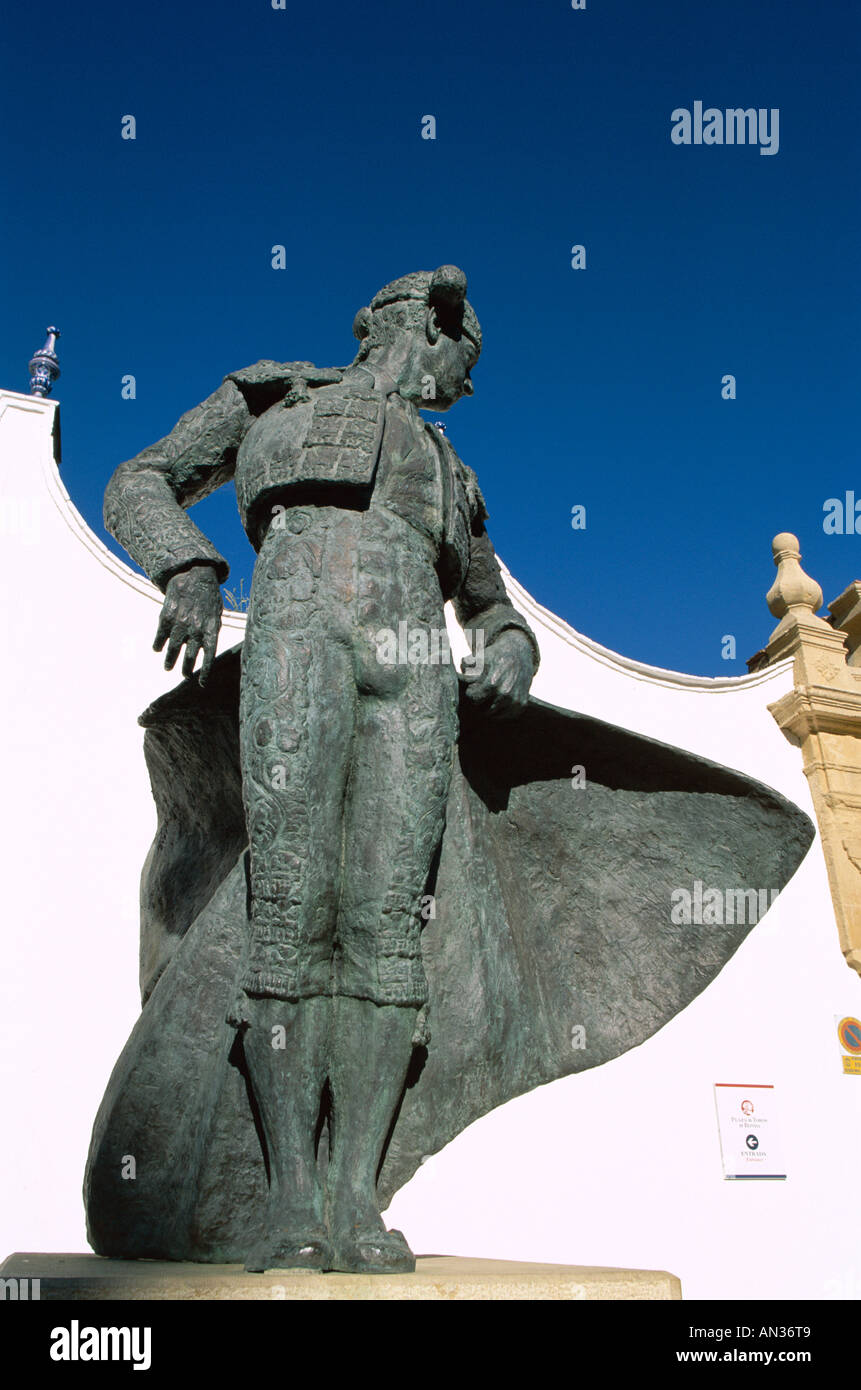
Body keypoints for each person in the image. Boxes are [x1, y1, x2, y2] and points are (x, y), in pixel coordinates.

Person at [104, 265, 539, 1273]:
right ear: (417, 328)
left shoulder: (452, 473)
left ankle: (354, 1193)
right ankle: (290, 1194)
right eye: (457, 360)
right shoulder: (274, 393)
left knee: (388, 924)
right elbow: (142, 477)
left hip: (413, 667)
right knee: (292, 904)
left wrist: (511, 643)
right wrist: (189, 565)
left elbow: (489, 601)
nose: (457, 386)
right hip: (301, 623)